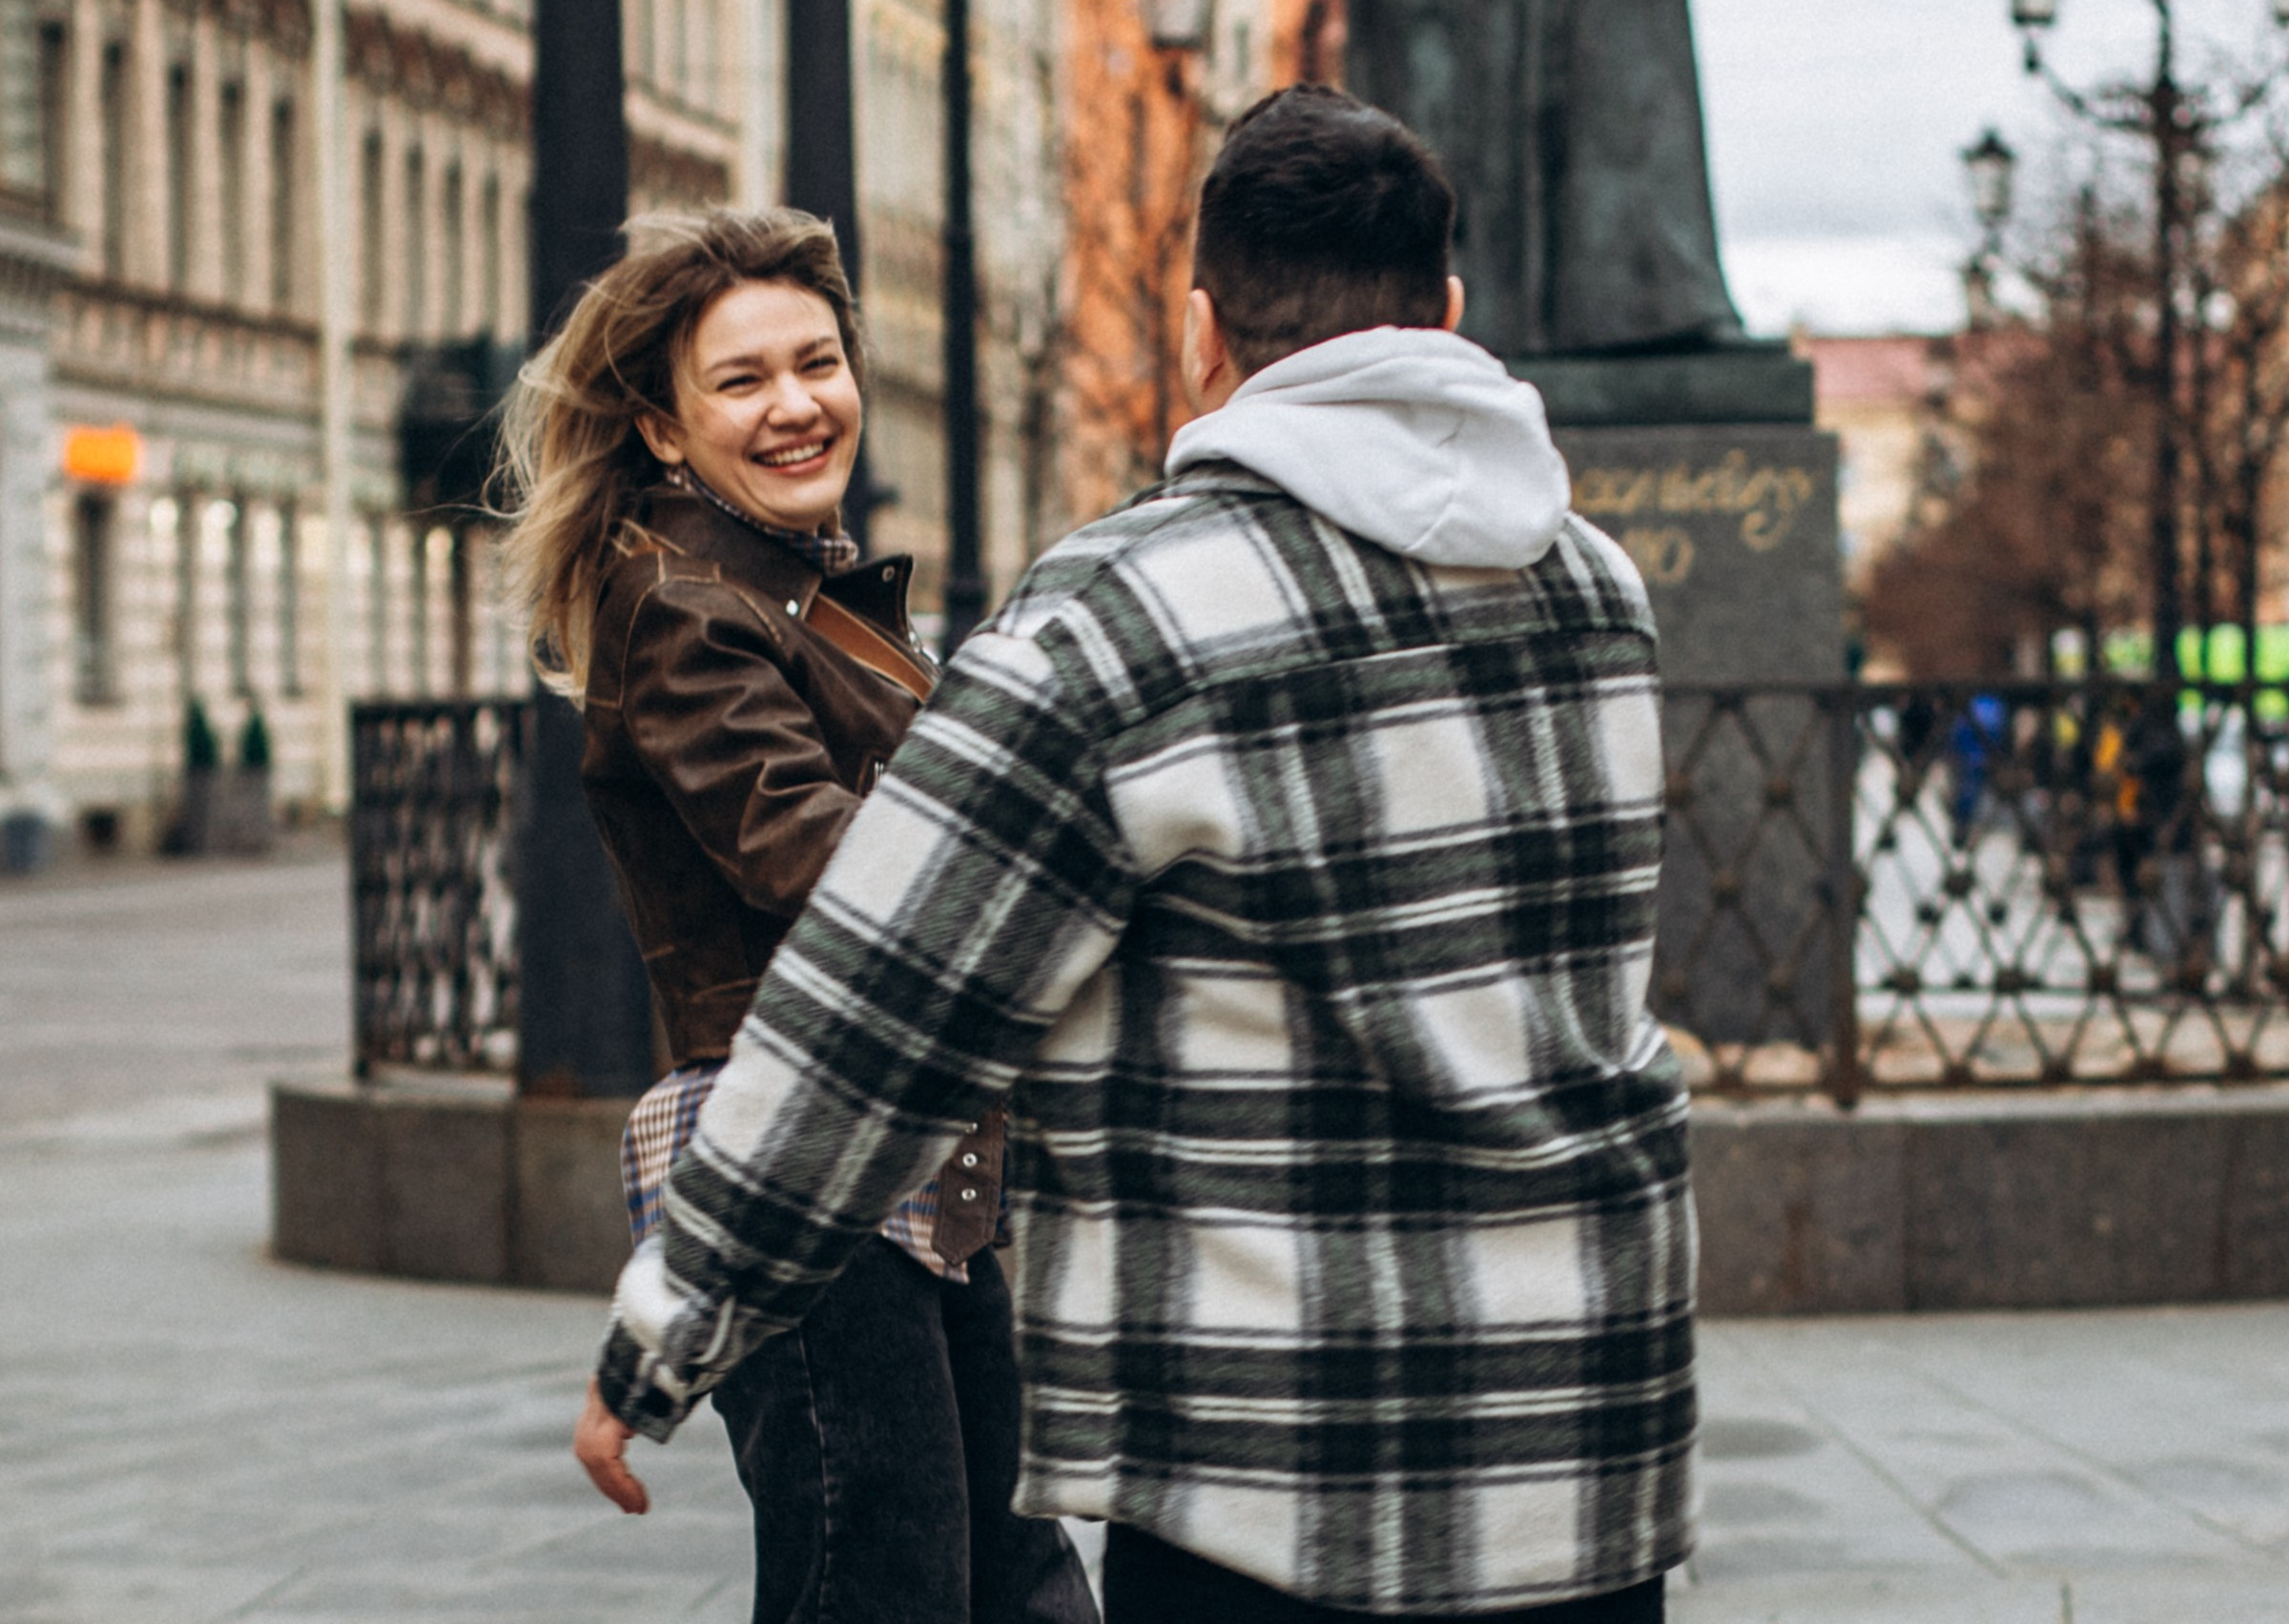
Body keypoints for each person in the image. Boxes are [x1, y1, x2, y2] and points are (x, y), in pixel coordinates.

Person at [587, 93, 1698, 1621]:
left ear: (1199, 333)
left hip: (1263, 1465)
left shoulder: (1118, 612)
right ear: (1446, 315)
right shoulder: (1602, 594)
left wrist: (670, 1322)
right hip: (1587, 1436)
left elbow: (882, 998)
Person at [496, 207, 1097, 1624]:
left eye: (818, 364)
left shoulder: (809, 590)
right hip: (810, 1178)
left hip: (912, 1150)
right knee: (883, 1585)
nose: (795, 405)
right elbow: (831, 871)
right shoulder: (683, 610)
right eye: (743, 380)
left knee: (1016, 1580)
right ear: (662, 429)